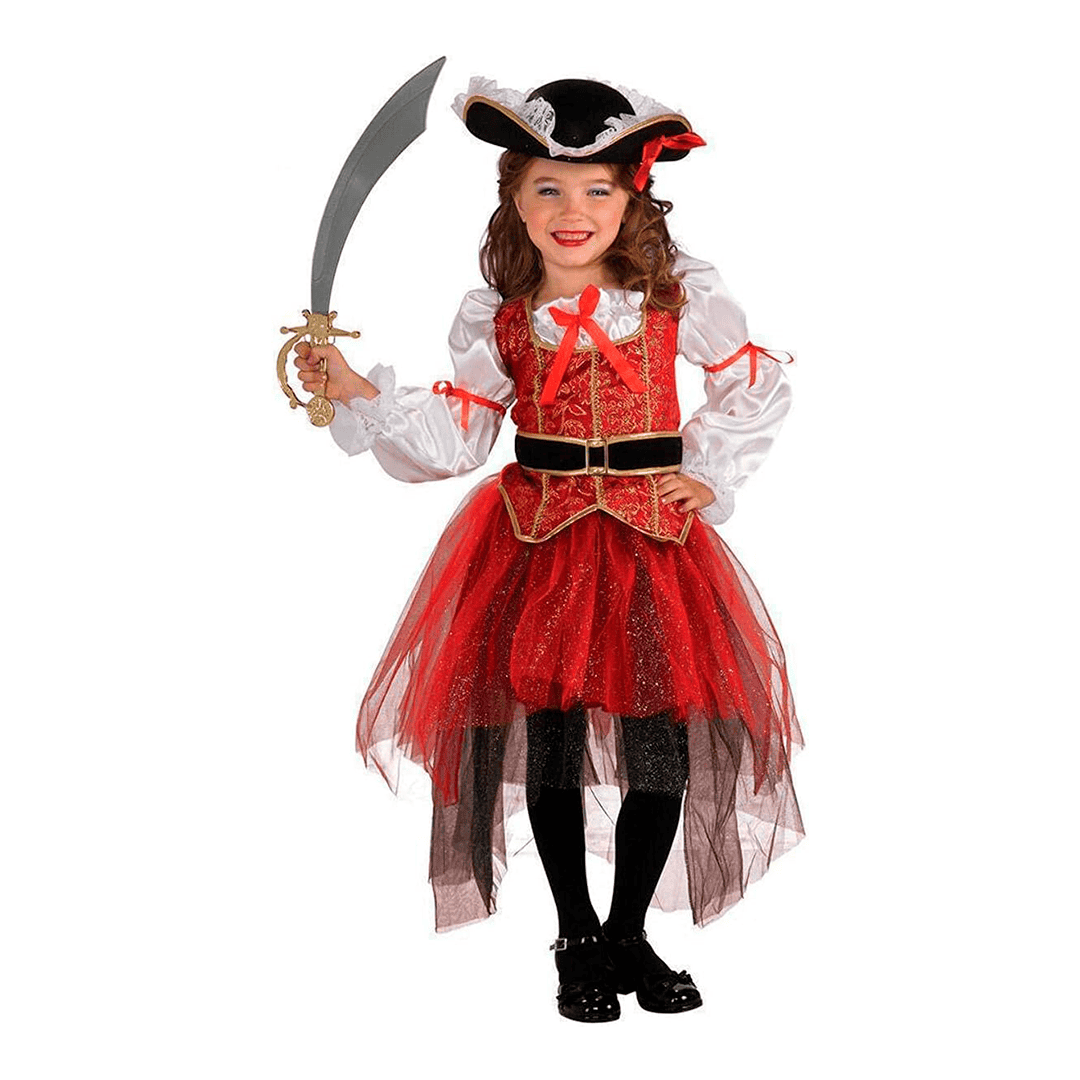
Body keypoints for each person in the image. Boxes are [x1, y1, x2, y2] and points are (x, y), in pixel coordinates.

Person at [292, 76, 805, 1023]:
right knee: (554, 744)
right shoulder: (499, 310)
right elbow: (460, 436)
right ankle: (576, 933)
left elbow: (752, 380)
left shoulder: (674, 295)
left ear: (632, 195)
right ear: (515, 199)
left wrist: (709, 472)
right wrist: (359, 389)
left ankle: (629, 933)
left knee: (660, 747)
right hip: (537, 541)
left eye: (598, 189)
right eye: (548, 189)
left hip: (652, 543)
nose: (574, 212)